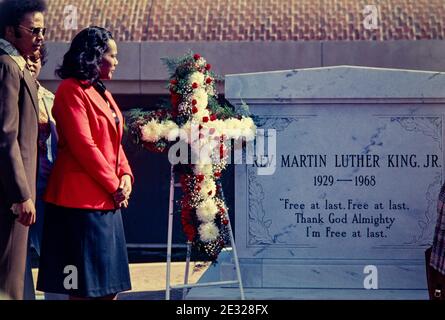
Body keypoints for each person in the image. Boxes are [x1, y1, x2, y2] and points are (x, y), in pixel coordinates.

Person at [36, 26, 134, 300]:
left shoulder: (101, 92)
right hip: (78, 207)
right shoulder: (70, 91)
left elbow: (113, 142)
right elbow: (83, 146)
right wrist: (115, 184)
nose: (116, 62)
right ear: (95, 56)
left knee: (108, 291)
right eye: (112, 56)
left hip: (106, 203)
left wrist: (125, 175)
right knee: (82, 291)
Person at [0, 0, 46, 300]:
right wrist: (21, 195)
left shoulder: (18, 67)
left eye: (44, 30)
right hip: (10, 197)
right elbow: (6, 136)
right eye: (34, 30)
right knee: (7, 284)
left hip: (16, 195)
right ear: (10, 31)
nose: (41, 37)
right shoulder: (6, 66)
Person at [22, 46, 67, 300]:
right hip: (20, 189)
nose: (31, 63)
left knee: (54, 252)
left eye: (36, 59)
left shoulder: (50, 98)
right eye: (26, 59)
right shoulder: (9, 94)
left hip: (49, 186)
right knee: (18, 257)